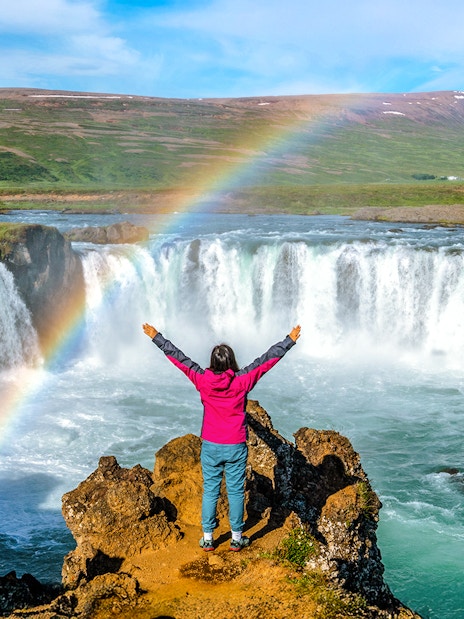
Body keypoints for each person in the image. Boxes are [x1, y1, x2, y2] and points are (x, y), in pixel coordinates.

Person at [142, 322, 301, 552]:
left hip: (211, 445)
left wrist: (157, 337)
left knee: (211, 490)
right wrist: (289, 340)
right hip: (235, 445)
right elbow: (266, 361)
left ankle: (208, 538)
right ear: (231, 362)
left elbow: (179, 359)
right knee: (236, 492)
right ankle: (236, 538)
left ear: (213, 362)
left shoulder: (202, 380)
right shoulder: (241, 381)